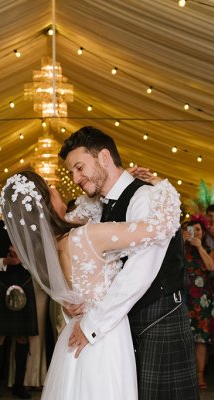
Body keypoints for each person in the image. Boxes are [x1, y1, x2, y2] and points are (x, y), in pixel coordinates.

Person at [0, 170, 181, 400]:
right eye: (49, 186)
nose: (56, 190)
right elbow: (162, 226)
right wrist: (159, 183)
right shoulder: (87, 236)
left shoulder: (50, 250)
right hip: (105, 336)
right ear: (45, 202)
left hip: (74, 336)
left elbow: (89, 211)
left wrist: (121, 182)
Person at [60, 126, 197, 400]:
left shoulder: (145, 197)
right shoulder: (103, 205)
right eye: (72, 172)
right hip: (124, 322)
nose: (75, 178)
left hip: (159, 319)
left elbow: (139, 271)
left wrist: (92, 326)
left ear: (104, 158)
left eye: (79, 167)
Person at [0, 218, 38, 400]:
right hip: (1, 285)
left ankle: (19, 386)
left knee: (23, 336)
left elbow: (40, 260)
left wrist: (23, 260)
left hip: (24, 284)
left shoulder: (31, 226)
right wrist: (5, 260)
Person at [182, 219, 214, 390]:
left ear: (203, 233)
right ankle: (184, 374)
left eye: (198, 230)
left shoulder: (207, 250)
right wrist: (181, 242)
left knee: (200, 339)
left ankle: (200, 375)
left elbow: (211, 266)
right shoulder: (180, 249)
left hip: (202, 299)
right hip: (184, 297)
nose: (195, 233)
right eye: (191, 230)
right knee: (184, 338)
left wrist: (198, 247)